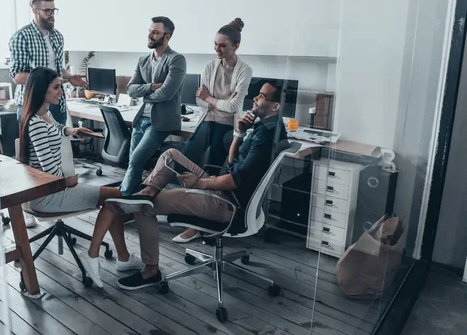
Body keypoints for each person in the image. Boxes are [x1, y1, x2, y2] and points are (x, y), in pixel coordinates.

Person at [108, 80, 288, 290]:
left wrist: (201, 183)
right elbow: (232, 164)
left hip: (228, 204)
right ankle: (148, 190)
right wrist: (239, 132)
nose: (256, 98)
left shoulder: (266, 136)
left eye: (262, 96)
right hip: (223, 191)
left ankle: (151, 272)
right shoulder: (267, 128)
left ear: (275, 106)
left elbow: (235, 180)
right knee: (170, 155)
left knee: (143, 208)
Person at [19, 67, 143, 288]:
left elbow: (55, 128)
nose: (61, 92)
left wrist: (72, 131)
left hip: (50, 190)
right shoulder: (36, 124)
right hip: (49, 194)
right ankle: (95, 254)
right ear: (41, 91)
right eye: (56, 88)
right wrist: (69, 181)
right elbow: (49, 171)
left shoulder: (42, 115)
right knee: (115, 197)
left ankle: (122, 259)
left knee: (114, 197)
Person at [175, 18, 253, 243]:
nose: (217, 50)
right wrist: (214, 100)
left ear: (236, 46)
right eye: (215, 44)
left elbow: (234, 107)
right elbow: (200, 103)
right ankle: (192, 208)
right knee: (185, 160)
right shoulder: (210, 66)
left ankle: (204, 222)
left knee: (214, 169)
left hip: (229, 126)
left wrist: (209, 97)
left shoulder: (244, 70)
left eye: (223, 46)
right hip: (208, 120)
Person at [120, 16, 187, 196]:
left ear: (167, 36)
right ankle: (131, 200)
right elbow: (131, 89)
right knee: (133, 161)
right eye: (150, 31)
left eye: (155, 32)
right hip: (141, 118)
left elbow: (167, 93)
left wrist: (146, 95)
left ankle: (121, 198)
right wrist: (149, 87)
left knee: (135, 159)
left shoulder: (176, 60)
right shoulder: (143, 60)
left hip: (160, 122)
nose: (150, 35)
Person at [9, 0, 88, 126]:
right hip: (33, 104)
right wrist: (48, 81)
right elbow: (17, 76)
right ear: (35, 11)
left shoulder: (57, 36)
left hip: (57, 103)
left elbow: (56, 68)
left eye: (53, 10)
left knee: (60, 145)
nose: (51, 15)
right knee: (36, 147)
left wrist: (69, 77)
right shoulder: (21, 37)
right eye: (47, 11)